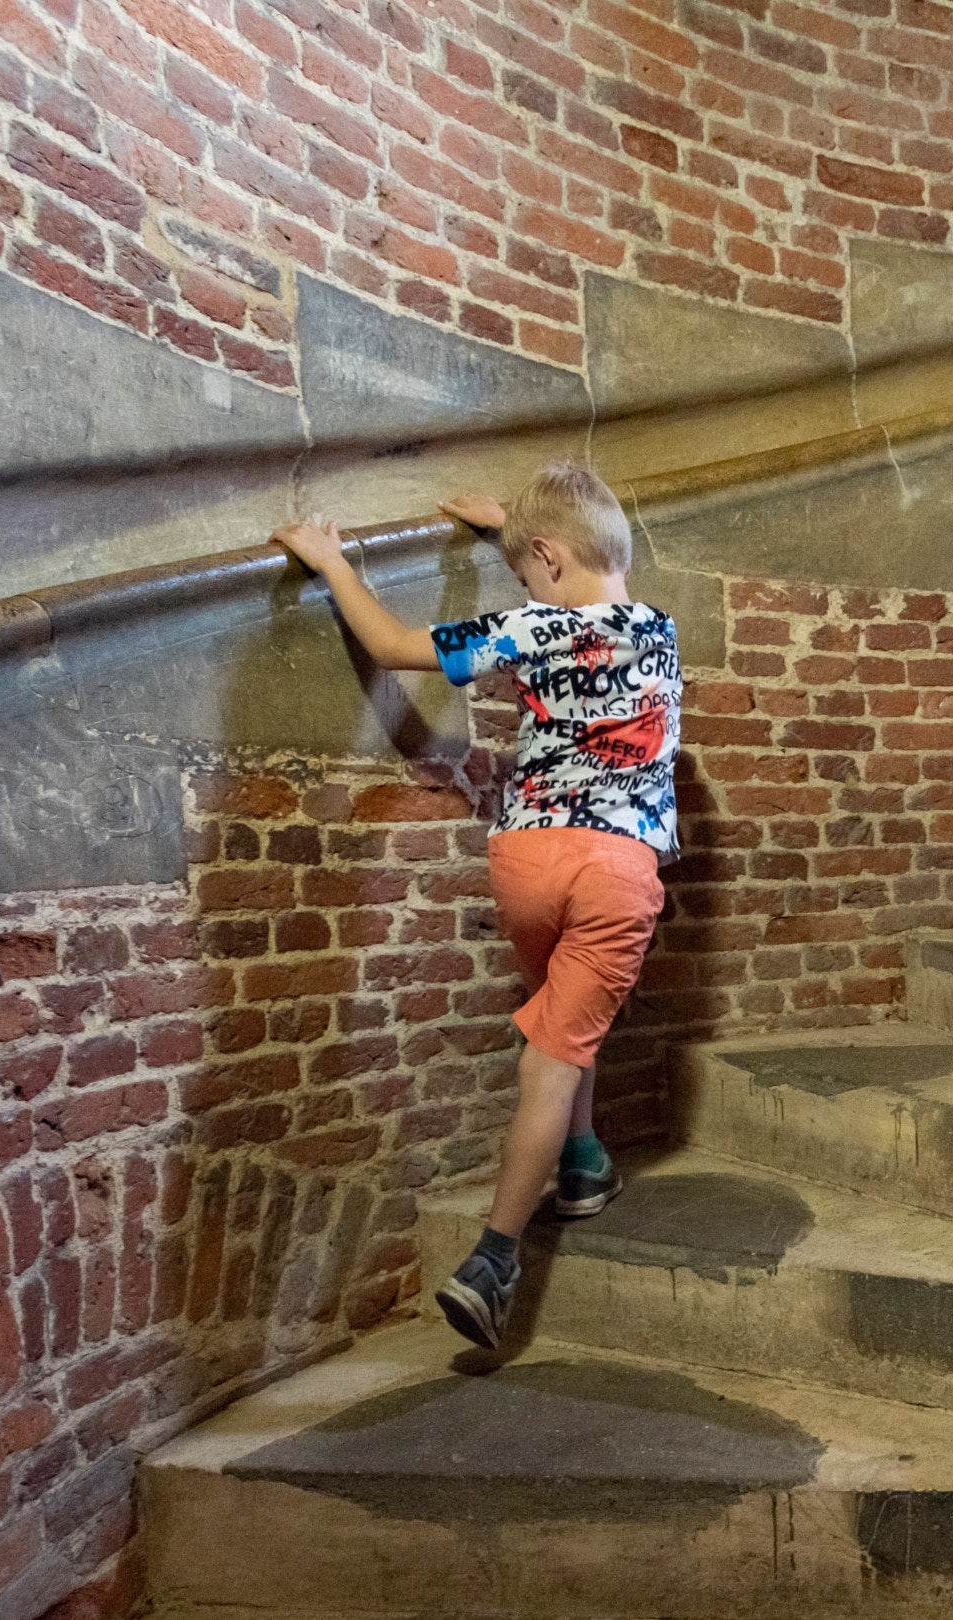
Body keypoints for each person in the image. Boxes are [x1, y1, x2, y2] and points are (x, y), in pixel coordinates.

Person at [270, 462, 680, 1350]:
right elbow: (580, 573)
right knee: (557, 1049)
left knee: (559, 1033)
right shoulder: (656, 627)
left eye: (529, 567)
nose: (529, 582)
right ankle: (496, 1258)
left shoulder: (523, 626)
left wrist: (334, 564)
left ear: (543, 559)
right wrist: (520, 533)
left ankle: (582, 1164)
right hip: (616, 868)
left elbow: (390, 647)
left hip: (527, 857)